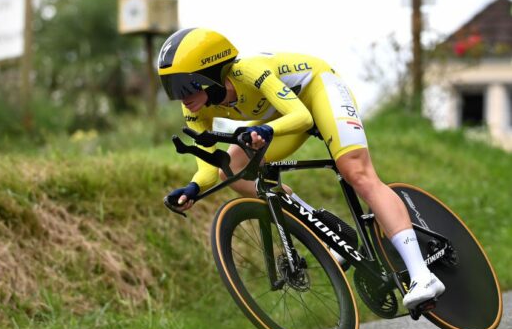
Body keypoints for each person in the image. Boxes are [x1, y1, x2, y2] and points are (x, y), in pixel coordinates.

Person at [158, 27, 444, 309]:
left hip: (318, 91)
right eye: (172, 88)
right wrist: (192, 189)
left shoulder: (249, 71)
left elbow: (301, 117)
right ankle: (325, 227)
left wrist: (267, 130)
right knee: (230, 170)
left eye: (185, 86)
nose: (181, 97)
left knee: (356, 172)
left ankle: (422, 275)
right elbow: (209, 167)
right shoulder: (196, 108)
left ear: (211, 73)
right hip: (281, 114)